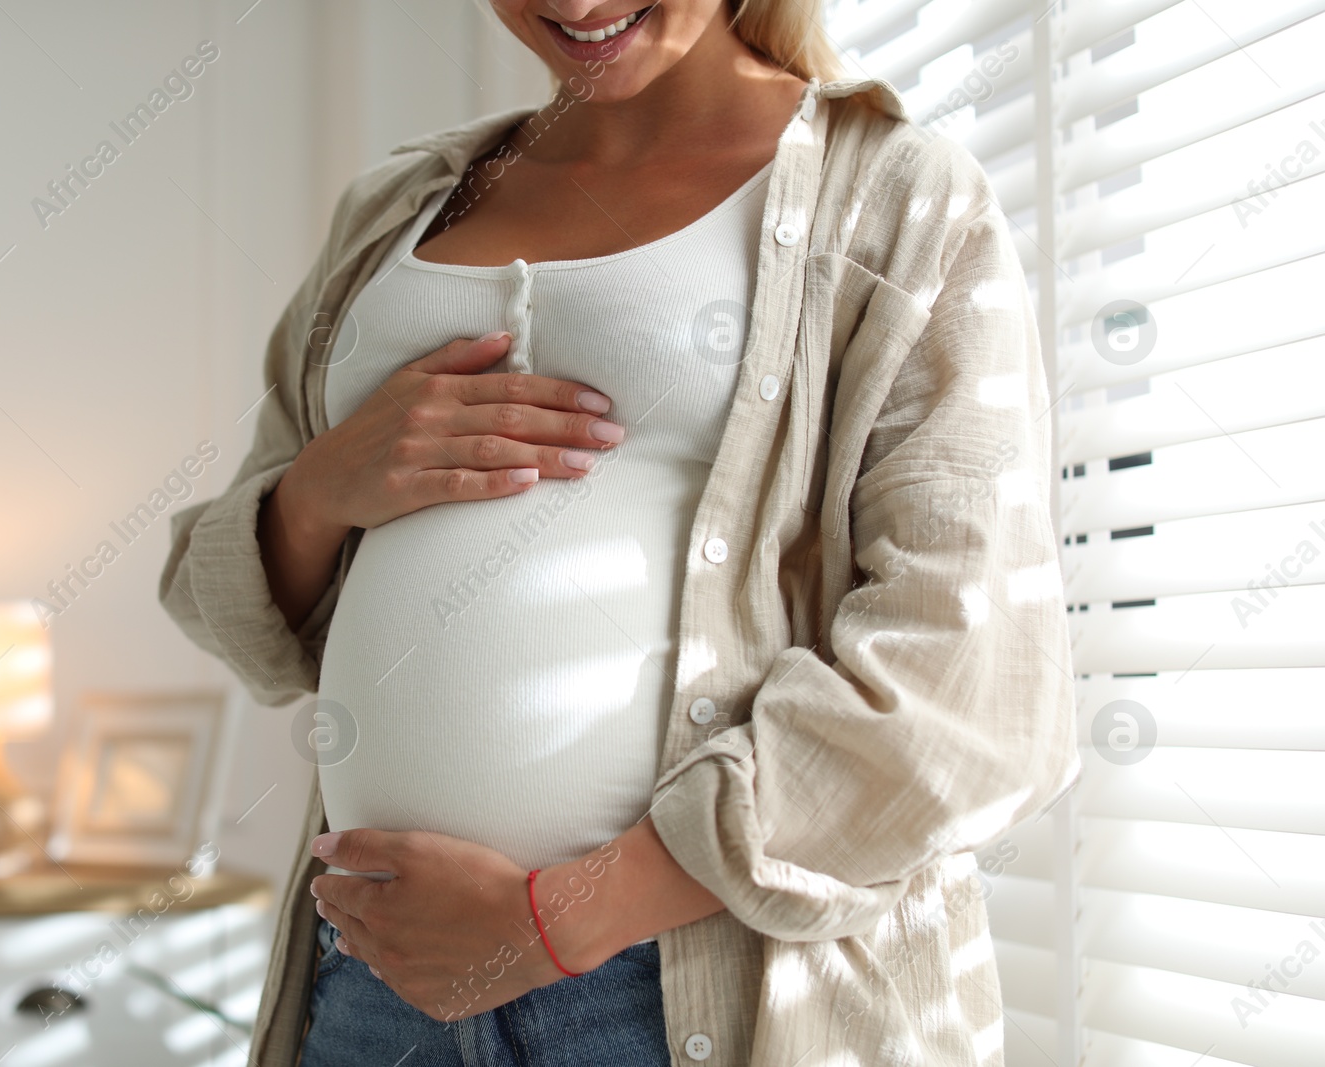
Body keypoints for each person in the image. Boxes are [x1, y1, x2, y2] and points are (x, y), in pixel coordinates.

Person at [160, 1, 1080, 1064]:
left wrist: (571, 911)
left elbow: (976, 678)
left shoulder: (900, 197)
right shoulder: (392, 211)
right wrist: (320, 490)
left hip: (684, 983)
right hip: (378, 971)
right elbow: (227, 606)